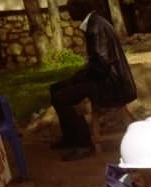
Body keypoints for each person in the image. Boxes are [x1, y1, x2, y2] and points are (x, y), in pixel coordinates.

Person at [49, 0, 136, 161]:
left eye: (71, 7)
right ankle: (70, 138)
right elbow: (98, 63)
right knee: (55, 88)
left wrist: (80, 77)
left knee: (61, 98)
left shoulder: (95, 27)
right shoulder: (95, 23)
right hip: (105, 79)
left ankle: (83, 145)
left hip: (111, 84)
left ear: (80, 8)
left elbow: (101, 66)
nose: (68, 11)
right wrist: (78, 76)